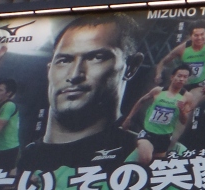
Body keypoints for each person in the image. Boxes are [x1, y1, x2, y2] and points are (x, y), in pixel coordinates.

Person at [21, 13, 142, 171]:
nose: (74, 75)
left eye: (96, 57)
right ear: (49, 70)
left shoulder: (143, 153)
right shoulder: (21, 160)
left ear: (131, 67)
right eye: (64, 60)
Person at [122, 64, 194, 164]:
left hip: (164, 136)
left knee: (155, 163)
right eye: (179, 76)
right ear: (172, 77)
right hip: (148, 132)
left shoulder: (187, 97)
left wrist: (181, 110)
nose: (181, 79)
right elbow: (141, 101)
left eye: (185, 77)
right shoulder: (158, 91)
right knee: (146, 158)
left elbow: (184, 121)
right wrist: (128, 118)